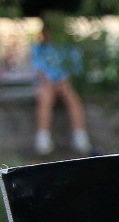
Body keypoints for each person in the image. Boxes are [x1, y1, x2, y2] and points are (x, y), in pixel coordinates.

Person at [30, 19, 91, 157]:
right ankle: (43, 138)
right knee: (44, 98)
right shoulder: (38, 48)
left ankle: (80, 136)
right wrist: (51, 82)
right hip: (47, 84)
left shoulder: (69, 47)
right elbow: (39, 69)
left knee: (73, 99)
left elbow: (74, 68)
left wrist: (62, 81)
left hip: (64, 83)